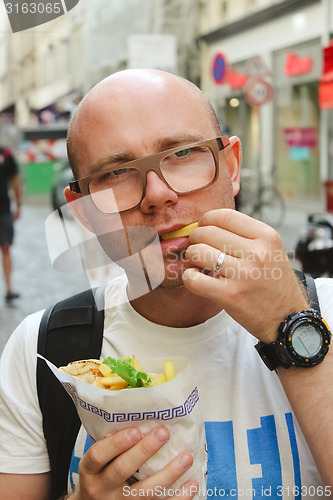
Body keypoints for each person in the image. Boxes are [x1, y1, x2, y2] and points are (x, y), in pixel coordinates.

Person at [1, 68, 333, 500]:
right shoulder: (42, 351)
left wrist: (293, 327)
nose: (157, 194)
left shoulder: (326, 311)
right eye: (116, 173)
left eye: (181, 154)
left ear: (231, 168)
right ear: (84, 212)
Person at [0, 146, 21, 302]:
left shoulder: (5, 154)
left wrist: (18, 204)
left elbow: (15, 179)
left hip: (3, 210)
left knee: (6, 247)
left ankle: (8, 288)